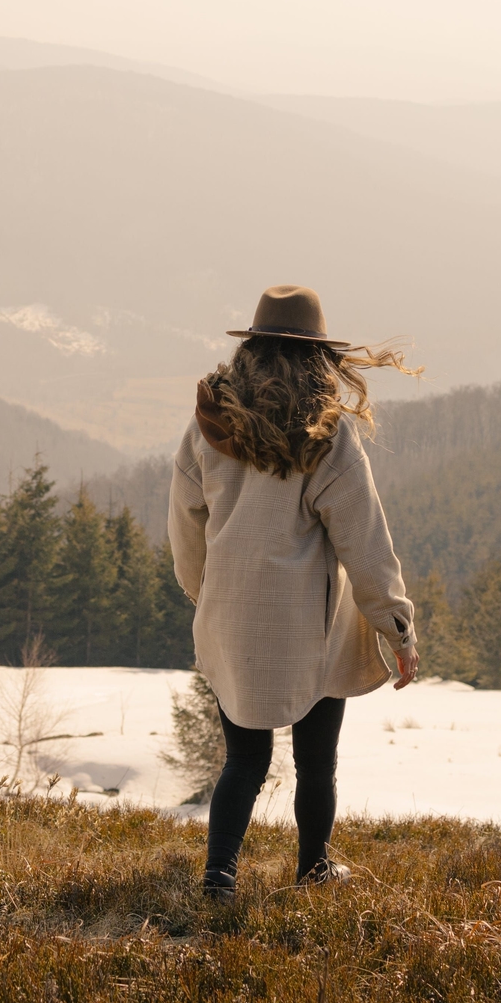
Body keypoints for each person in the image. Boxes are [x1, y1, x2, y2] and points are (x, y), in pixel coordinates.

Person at [168, 285, 419, 897]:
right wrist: (397, 628)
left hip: (234, 615)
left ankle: (219, 877)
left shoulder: (208, 426)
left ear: (251, 348)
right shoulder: (328, 435)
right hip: (314, 624)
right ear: (317, 357)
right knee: (315, 761)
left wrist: (205, 595)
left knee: (244, 760)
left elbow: (185, 524)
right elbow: (364, 540)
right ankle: (313, 869)